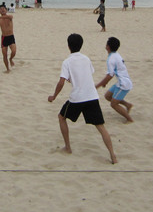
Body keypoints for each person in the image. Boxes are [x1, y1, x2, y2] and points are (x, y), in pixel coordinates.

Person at [47, 33, 117, 164]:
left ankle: (68, 147)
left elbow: (61, 82)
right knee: (101, 127)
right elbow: (86, 74)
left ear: (68, 46)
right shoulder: (86, 58)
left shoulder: (67, 61)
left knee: (61, 117)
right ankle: (113, 155)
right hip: (92, 96)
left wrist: (54, 96)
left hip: (77, 98)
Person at [95, 37, 133, 123]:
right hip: (121, 81)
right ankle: (128, 105)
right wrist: (105, 82)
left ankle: (129, 119)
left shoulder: (111, 58)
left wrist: (98, 85)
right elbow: (110, 74)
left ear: (107, 47)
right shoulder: (115, 54)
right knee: (108, 96)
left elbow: (110, 75)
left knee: (114, 104)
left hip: (123, 84)